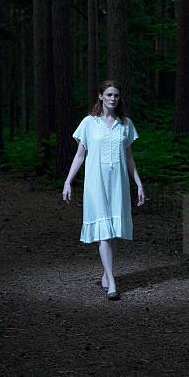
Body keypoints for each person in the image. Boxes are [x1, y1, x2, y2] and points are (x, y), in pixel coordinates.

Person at [62, 80, 145, 300]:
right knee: (104, 232)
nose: (112, 99)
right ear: (100, 96)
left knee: (113, 229)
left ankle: (106, 274)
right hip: (95, 183)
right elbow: (80, 155)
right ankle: (112, 281)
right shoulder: (89, 123)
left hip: (118, 182)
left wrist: (138, 183)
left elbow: (129, 157)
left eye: (116, 95)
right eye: (108, 95)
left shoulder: (125, 124)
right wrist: (68, 181)